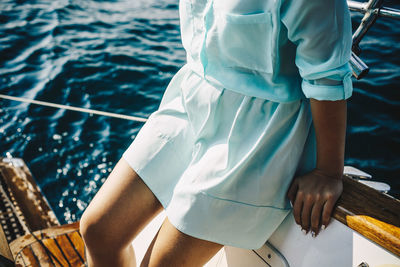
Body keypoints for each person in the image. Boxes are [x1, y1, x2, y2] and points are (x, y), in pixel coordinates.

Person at [79, 0, 353, 266]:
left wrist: (328, 172)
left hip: (258, 136)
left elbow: (326, 78)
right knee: (98, 230)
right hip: (190, 102)